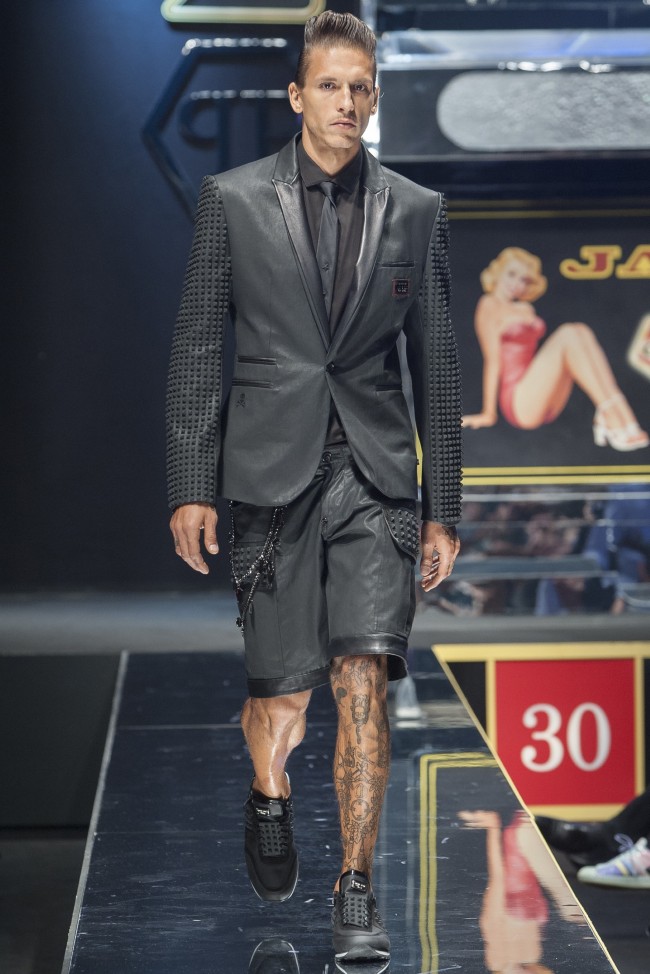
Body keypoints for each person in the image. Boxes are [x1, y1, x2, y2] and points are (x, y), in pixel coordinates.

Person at [166, 11, 462, 964]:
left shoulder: (416, 210)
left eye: (360, 88)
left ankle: (356, 887)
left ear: (375, 99)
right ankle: (270, 793)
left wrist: (443, 508)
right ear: (297, 95)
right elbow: (199, 346)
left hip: (374, 477)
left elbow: (438, 365)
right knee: (284, 701)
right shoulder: (232, 200)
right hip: (268, 473)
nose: (346, 102)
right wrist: (190, 483)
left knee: (363, 676)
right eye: (329, 85)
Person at [462, 247, 648, 451]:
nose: (516, 284)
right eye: (512, 274)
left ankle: (616, 413)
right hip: (518, 401)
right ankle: (615, 416)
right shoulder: (488, 304)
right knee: (569, 333)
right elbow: (492, 360)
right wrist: (489, 413)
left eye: (524, 280)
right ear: (498, 272)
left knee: (580, 330)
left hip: (543, 396)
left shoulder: (525, 308)